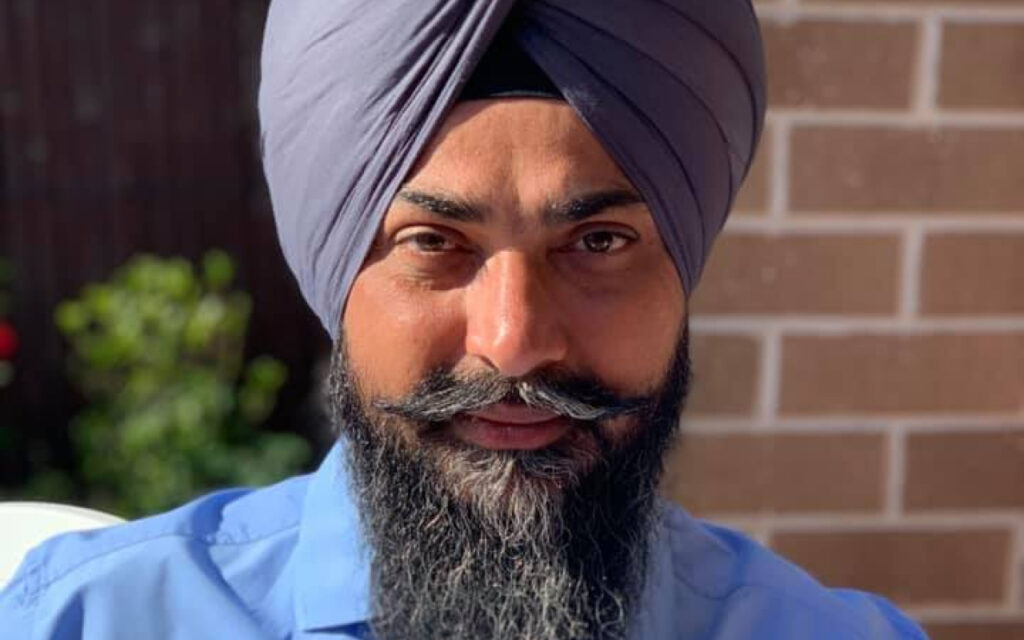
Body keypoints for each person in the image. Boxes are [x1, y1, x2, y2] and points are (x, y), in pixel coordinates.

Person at [1, 1, 928, 638]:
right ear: (334, 271)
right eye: (433, 243)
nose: (516, 339)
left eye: (599, 241)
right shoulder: (86, 619)